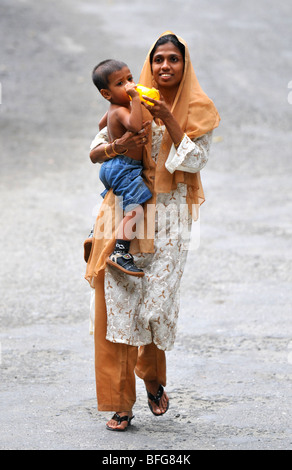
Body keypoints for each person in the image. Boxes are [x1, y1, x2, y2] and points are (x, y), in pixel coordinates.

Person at [85, 32, 220, 431]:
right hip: (126, 213)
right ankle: (121, 403)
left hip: (172, 220)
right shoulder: (130, 97)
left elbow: (194, 163)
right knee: (119, 312)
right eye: (158, 58)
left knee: (153, 308)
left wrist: (169, 118)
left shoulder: (199, 109)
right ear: (150, 63)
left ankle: (150, 368)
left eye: (173, 59)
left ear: (184, 65)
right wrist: (117, 145)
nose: (164, 66)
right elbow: (96, 148)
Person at [91, 59, 153, 277]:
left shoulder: (112, 110)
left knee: (118, 203)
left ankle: (95, 233)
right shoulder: (121, 110)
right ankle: (120, 252)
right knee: (135, 209)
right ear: (106, 94)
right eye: (121, 83)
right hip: (124, 167)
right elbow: (135, 126)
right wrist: (136, 99)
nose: (129, 86)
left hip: (112, 166)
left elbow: (101, 126)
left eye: (130, 79)